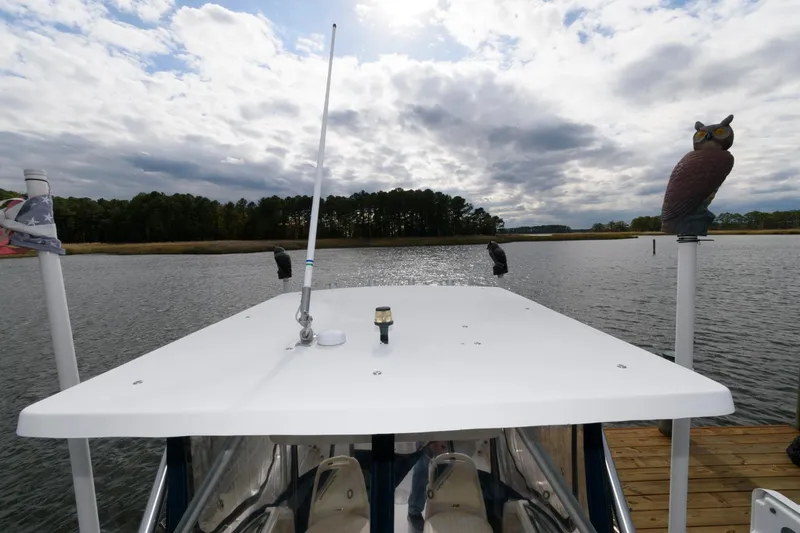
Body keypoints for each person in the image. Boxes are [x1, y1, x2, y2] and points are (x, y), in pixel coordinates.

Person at [407, 441, 448, 531]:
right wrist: (433, 441)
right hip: (428, 437)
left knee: (451, 468)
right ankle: (414, 512)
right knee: (424, 465)